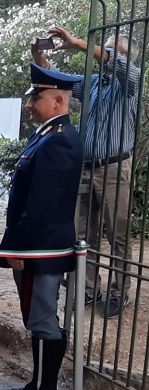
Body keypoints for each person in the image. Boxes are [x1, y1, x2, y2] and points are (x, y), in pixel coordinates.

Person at [33, 27, 140, 318]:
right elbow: (57, 80)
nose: (102, 54)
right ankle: (90, 288)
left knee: (117, 235)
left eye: (109, 50)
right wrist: (38, 55)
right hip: (87, 168)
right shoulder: (92, 83)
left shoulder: (131, 83)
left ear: (124, 57)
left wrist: (79, 44)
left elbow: (118, 66)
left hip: (115, 168)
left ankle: (119, 292)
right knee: (84, 234)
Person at [0, 64, 82, 390]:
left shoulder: (60, 139)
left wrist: (17, 250)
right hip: (37, 245)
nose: (30, 103)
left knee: (43, 317)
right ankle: (38, 385)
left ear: (58, 100)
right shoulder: (47, 134)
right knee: (37, 316)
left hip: (42, 246)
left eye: (37, 97)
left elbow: (42, 206)